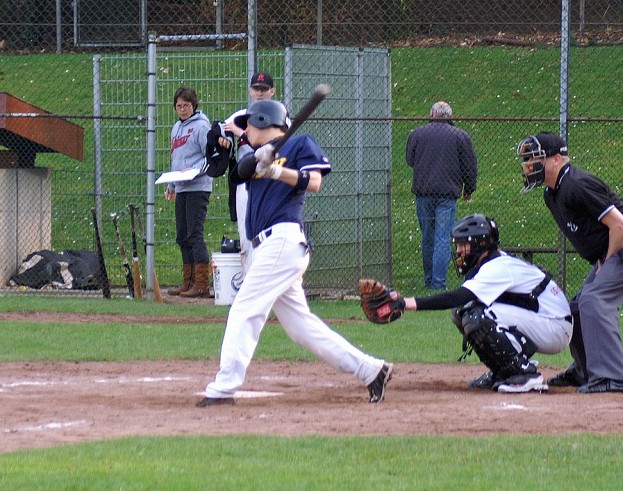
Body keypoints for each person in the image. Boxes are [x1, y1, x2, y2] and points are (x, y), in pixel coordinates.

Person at [197, 99, 393, 407]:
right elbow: (240, 172)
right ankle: (370, 370)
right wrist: (261, 157)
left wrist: (276, 171)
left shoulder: (300, 143)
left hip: (282, 241)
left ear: (264, 121)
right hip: (267, 248)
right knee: (301, 328)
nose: (245, 131)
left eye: (249, 125)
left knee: (244, 309)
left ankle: (223, 388)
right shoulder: (255, 155)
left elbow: (314, 182)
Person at [517, 132, 623, 393]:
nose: (529, 165)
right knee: (576, 308)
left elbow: (620, 226)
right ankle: (585, 370)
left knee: (594, 300)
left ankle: (614, 378)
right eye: (527, 160)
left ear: (557, 159)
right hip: (614, 248)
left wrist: (605, 261)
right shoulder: (552, 194)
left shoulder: (577, 184)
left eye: (535, 158)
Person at [391, 213, 572, 393]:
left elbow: (457, 297)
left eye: (464, 244)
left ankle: (524, 372)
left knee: (476, 316)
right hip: (546, 321)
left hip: (554, 327)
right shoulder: (493, 262)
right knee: (463, 311)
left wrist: (406, 303)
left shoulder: (498, 267)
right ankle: (502, 371)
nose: (459, 251)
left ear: (481, 244)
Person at [406, 101, 478, 290]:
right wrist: (469, 189)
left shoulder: (417, 134)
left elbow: (410, 160)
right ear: (449, 115)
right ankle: (438, 283)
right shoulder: (460, 136)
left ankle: (429, 279)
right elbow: (469, 165)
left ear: (432, 113)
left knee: (427, 236)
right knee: (442, 238)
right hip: (447, 194)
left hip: (423, 192)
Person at [218, 72, 282, 275]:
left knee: (269, 234)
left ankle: (269, 281)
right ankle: (248, 281)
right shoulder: (240, 116)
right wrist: (223, 138)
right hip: (246, 182)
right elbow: (218, 130)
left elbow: (273, 145)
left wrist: (241, 133)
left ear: (272, 91)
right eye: (256, 89)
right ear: (250, 91)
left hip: (270, 180)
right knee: (246, 235)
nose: (260, 93)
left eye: (264, 89)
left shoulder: (280, 115)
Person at [165, 86, 213, 298]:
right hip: (181, 187)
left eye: (186, 105)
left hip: (197, 187)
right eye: (179, 106)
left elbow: (209, 157)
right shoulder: (176, 128)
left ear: (194, 106)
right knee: (182, 235)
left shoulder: (202, 127)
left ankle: (201, 284)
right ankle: (188, 282)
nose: (183, 109)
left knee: (195, 235)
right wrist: (172, 185)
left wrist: (194, 171)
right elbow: (175, 159)